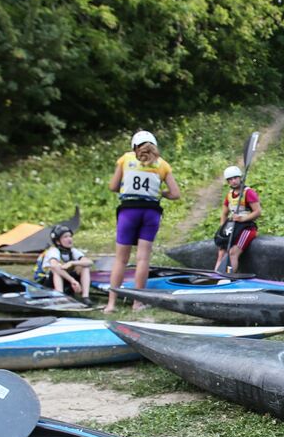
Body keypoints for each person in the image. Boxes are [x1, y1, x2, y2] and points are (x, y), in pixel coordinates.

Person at [104, 130, 180, 314]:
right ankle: (137, 303)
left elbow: (113, 186)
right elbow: (175, 194)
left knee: (121, 259)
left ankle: (111, 304)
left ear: (134, 146)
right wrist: (160, 192)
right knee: (143, 258)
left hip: (129, 212)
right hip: (150, 213)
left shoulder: (125, 159)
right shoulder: (162, 165)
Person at [214, 165, 261, 273]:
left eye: (235, 178)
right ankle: (215, 277)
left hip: (247, 228)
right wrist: (222, 228)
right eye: (230, 179)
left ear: (240, 178)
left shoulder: (248, 193)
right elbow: (224, 213)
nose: (233, 181)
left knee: (233, 252)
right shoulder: (229, 195)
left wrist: (243, 219)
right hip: (233, 226)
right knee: (221, 252)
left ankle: (228, 277)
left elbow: (258, 212)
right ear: (228, 182)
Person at [35, 224, 93, 299]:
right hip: (45, 281)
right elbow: (54, 266)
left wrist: (72, 263)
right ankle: (60, 297)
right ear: (58, 242)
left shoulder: (72, 251)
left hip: (64, 279)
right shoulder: (53, 251)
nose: (69, 239)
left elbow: (89, 262)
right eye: (65, 237)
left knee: (84, 266)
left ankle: (85, 297)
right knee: (56, 269)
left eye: (70, 236)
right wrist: (72, 280)